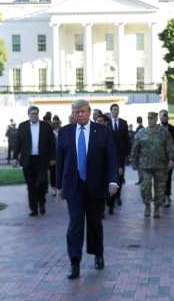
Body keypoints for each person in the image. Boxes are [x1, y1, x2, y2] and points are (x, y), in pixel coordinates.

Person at [56, 99, 118, 280]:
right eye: (76, 112)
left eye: (82, 111)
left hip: (96, 185)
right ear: (72, 113)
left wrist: (113, 181)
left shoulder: (103, 132)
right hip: (73, 186)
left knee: (94, 223)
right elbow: (60, 160)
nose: (79, 115)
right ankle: (74, 262)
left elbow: (111, 158)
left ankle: (98, 253)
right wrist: (59, 186)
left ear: (89, 112)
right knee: (75, 223)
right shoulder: (65, 132)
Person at [131, 112, 174, 218]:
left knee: (160, 189)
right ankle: (147, 205)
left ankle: (157, 208)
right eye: (149, 118)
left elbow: (170, 147)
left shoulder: (164, 132)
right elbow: (135, 148)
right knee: (145, 187)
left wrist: (172, 159)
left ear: (156, 119)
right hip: (145, 166)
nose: (150, 120)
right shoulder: (141, 133)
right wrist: (134, 161)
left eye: (152, 118)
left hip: (161, 165)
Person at [14, 106, 56, 216]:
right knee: (30, 185)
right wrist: (15, 157)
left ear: (38, 114)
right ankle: (33, 209)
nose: (34, 115)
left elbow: (52, 143)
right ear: (28, 115)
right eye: (32, 114)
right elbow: (17, 143)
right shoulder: (22, 126)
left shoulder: (46, 126)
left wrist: (52, 158)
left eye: (36, 113)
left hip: (42, 160)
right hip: (28, 160)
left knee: (41, 183)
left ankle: (41, 203)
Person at [108, 103, 130, 211]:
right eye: (114, 110)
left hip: (121, 156)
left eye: (117, 109)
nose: (116, 111)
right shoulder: (107, 123)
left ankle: (118, 196)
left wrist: (127, 154)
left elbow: (127, 140)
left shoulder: (123, 123)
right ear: (111, 111)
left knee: (120, 177)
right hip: (109, 155)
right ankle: (110, 198)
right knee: (111, 177)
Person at [159, 109, 174, 207]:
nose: (164, 117)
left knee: (168, 178)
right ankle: (162, 195)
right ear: (159, 117)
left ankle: (167, 196)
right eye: (162, 115)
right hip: (159, 159)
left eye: (166, 115)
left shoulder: (173, 129)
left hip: (170, 158)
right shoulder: (155, 128)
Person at [49, 116, 62, 196]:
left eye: (57, 123)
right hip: (53, 157)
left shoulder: (62, 131)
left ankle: (59, 187)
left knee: (61, 172)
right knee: (53, 173)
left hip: (61, 156)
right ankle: (53, 188)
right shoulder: (50, 133)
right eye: (54, 123)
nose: (56, 124)